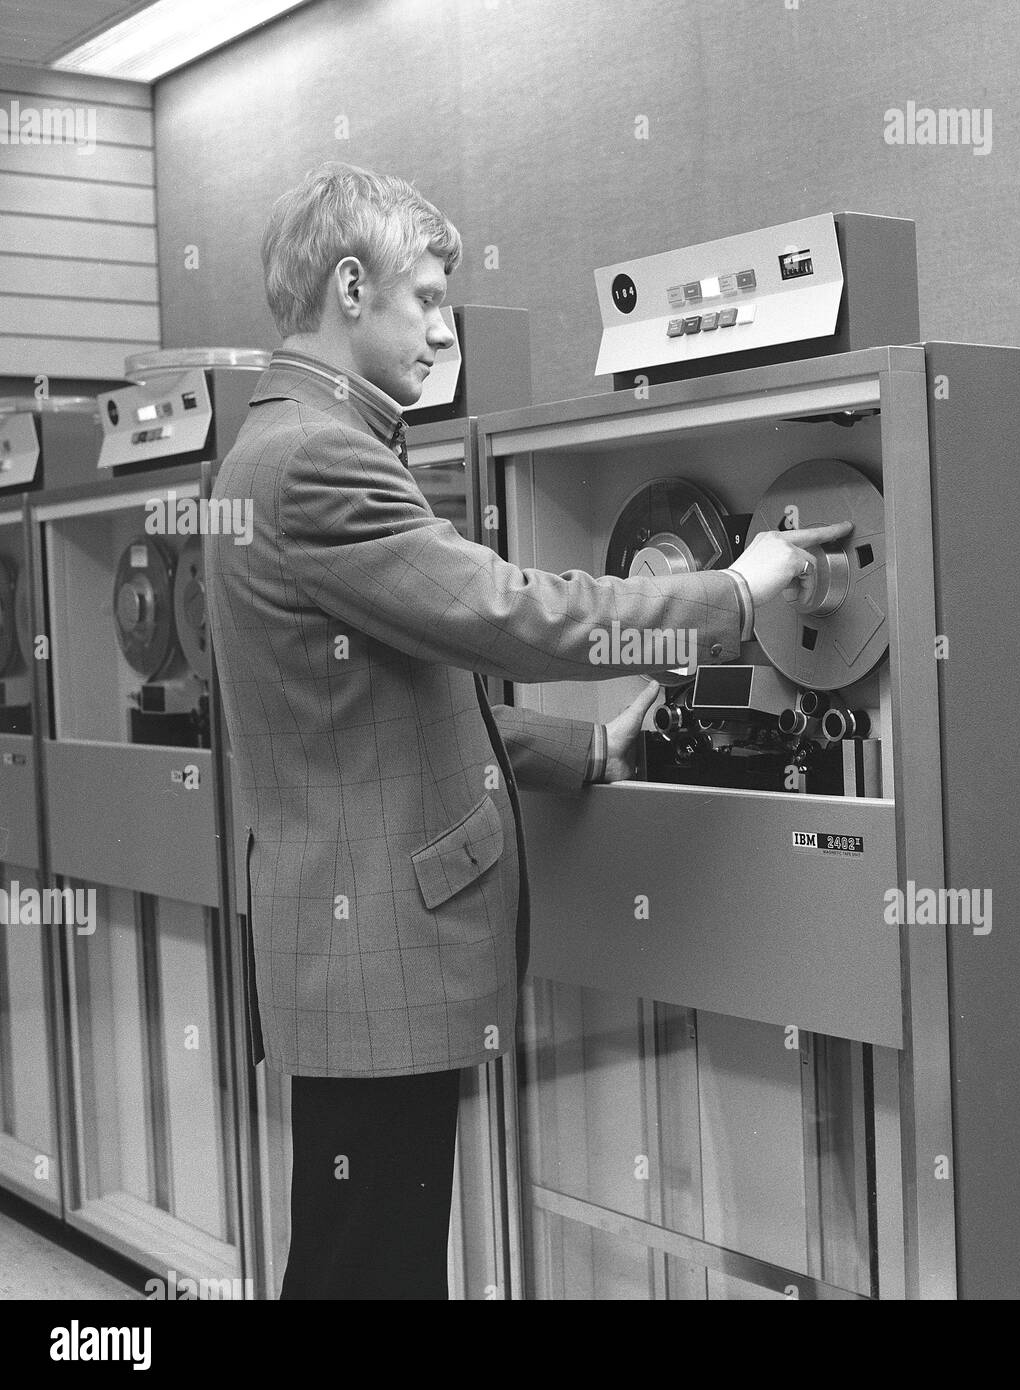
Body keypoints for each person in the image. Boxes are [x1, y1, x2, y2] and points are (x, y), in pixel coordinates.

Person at [204, 162, 849, 1299]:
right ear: (349, 288)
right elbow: (513, 614)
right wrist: (734, 594)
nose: (441, 330)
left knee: (366, 1262)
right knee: (369, 1273)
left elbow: (383, 702)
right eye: (427, 299)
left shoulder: (268, 446)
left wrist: (584, 750)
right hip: (375, 962)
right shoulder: (321, 458)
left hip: (344, 956)